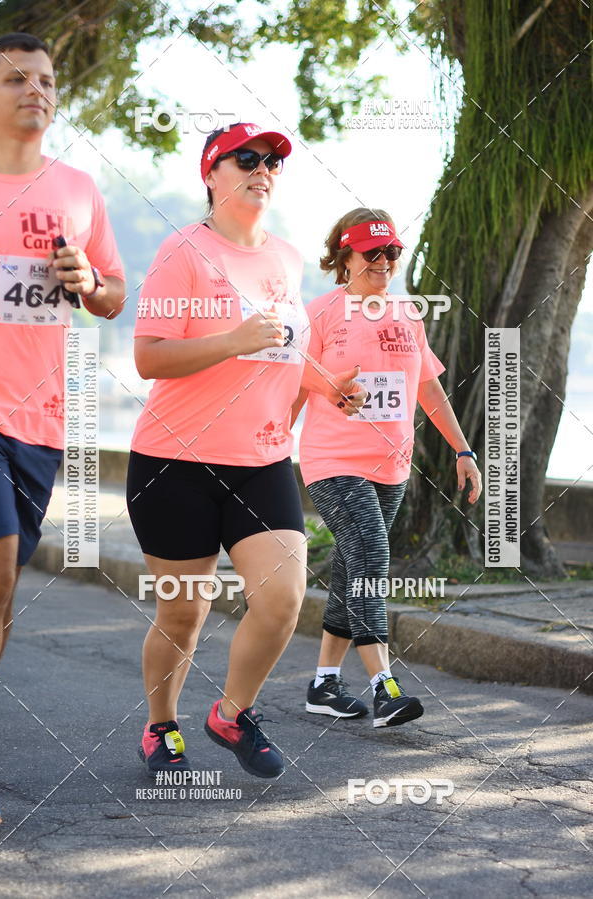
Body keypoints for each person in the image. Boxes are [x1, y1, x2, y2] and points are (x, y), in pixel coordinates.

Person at [127, 122, 366, 779]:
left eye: (272, 161)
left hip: (261, 461)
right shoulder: (182, 252)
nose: (263, 168)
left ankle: (232, 713)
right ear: (212, 174)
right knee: (183, 606)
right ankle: (161, 726)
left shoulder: (286, 259)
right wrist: (230, 340)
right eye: (247, 159)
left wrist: (327, 385)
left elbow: (286, 349)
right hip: (175, 463)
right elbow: (148, 355)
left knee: (284, 598)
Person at [0, 32, 125, 824]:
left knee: (1, 604)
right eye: (14, 79)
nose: (35, 90)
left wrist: (89, 280)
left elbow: (113, 297)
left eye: (45, 80)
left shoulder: (78, 188)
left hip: (40, 420)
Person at [292, 208, 482, 728]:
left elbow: (427, 388)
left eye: (391, 252)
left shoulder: (407, 314)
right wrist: (267, 454)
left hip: (391, 466)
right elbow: (293, 385)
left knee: (354, 567)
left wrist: (464, 452)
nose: (382, 261)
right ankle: (385, 685)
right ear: (344, 256)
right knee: (372, 552)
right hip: (332, 461)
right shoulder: (322, 312)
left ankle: (324, 684)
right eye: (370, 252)